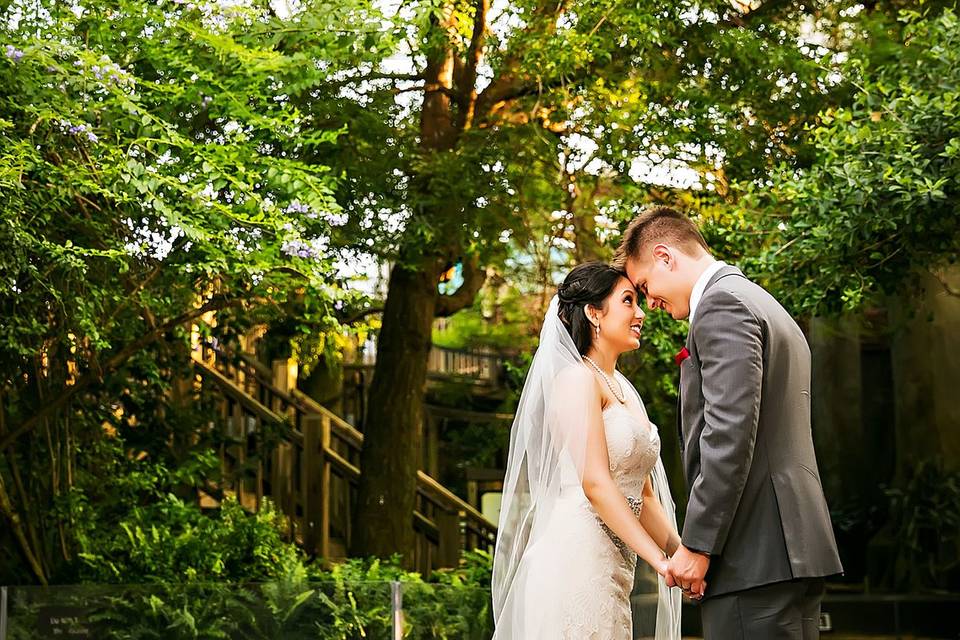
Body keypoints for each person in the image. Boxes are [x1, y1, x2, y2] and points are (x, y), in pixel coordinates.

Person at [616, 205, 843, 639]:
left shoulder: (721, 306)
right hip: (788, 548)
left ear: (665, 256)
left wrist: (699, 545)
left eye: (645, 285)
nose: (651, 302)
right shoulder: (760, 300)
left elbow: (728, 435)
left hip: (752, 555)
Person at [491, 262, 682, 640]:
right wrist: (659, 562)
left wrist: (683, 554)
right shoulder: (577, 380)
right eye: (628, 301)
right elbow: (595, 483)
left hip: (614, 565)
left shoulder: (625, 390)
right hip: (574, 559)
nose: (641, 313)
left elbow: (644, 496)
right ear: (594, 312)